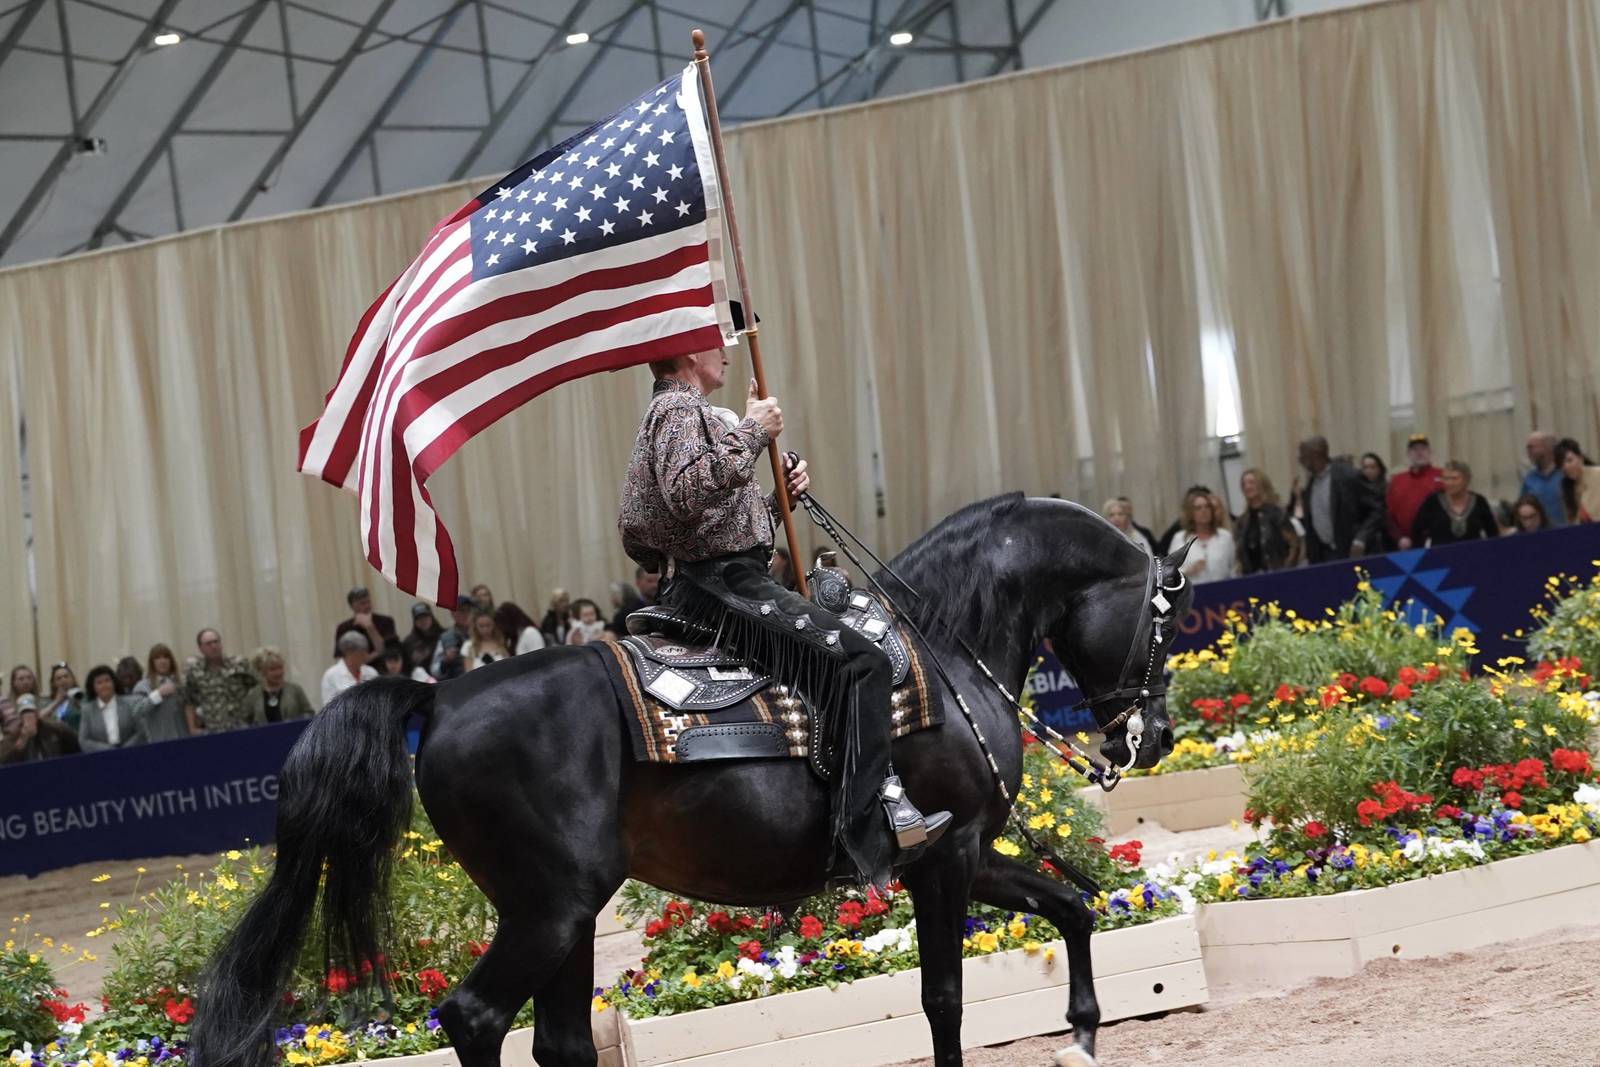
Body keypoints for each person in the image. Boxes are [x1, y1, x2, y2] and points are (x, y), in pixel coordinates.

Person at [617, 303, 949, 889]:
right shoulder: (677, 408)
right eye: (716, 341)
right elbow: (686, 491)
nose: (726, 353)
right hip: (720, 587)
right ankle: (860, 834)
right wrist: (753, 431)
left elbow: (710, 526)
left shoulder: (684, 411)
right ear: (689, 351)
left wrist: (776, 504)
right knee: (864, 664)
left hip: (719, 576)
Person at [1288, 436, 1383, 563]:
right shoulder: (1310, 484)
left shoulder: (1348, 476)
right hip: (1325, 555)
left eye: (1303, 455)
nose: (1300, 459)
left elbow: (1377, 508)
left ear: (1316, 455)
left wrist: (1361, 538)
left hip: (1353, 553)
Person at [184, 628, 261, 732]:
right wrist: (192, 728)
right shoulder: (195, 672)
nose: (214, 646)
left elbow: (259, 689)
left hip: (243, 726)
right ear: (201, 648)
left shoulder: (240, 664)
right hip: (215, 730)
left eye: (216, 641)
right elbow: (189, 701)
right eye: (208, 644)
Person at [1410, 461, 1500, 545]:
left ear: (1466, 480)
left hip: (1474, 554)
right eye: (1445, 478)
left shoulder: (1479, 501)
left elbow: (1493, 534)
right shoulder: (1433, 501)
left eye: (1454, 478)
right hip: (1440, 555)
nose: (1449, 483)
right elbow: (1416, 532)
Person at [1234, 469, 1300, 574]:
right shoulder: (1241, 522)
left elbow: (1294, 545)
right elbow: (1239, 554)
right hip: (1251, 578)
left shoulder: (1277, 514)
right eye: (1244, 484)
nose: (1247, 487)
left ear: (1262, 484)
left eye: (1251, 482)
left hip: (1276, 575)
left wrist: (1286, 570)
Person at [1386, 434, 1444, 550]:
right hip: (1405, 545)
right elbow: (1389, 514)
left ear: (1430, 452)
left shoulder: (1444, 476)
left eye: (1423, 449)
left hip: (1437, 543)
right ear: (1408, 454)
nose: (1419, 452)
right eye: (1415, 449)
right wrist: (1399, 538)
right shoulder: (1397, 480)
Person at [77, 664, 150, 753]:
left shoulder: (130, 703)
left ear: (114, 683)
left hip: (132, 753)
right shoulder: (87, 710)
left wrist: (124, 750)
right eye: (99, 683)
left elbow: (141, 731)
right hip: (101, 756)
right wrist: (108, 751)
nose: (104, 685)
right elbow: (84, 740)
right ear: (93, 687)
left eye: (107, 680)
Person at [1173, 488, 1236, 584]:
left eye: (1207, 507)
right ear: (1191, 513)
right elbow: (1170, 573)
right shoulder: (1180, 539)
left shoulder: (1225, 537)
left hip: (1223, 589)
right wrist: (1188, 571)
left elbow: (1233, 568)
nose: (1204, 511)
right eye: (1198, 508)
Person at [131, 643, 191, 742]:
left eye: (166, 657)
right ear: (152, 662)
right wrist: (158, 694)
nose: (162, 661)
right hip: (160, 742)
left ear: (171, 660)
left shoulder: (181, 682)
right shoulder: (142, 686)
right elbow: (136, 711)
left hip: (185, 739)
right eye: (157, 658)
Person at [0, 695, 81, 762]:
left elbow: (77, 744)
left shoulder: (55, 728)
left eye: (31, 711)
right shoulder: (12, 734)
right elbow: (4, 761)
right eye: (24, 713)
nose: (28, 716)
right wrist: (22, 740)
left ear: (37, 713)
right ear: (19, 716)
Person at [245, 648, 313, 723]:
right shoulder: (253, 694)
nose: (278, 672)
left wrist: (295, 721)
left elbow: (310, 714)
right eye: (273, 669)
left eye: (280, 667)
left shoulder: (295, 689)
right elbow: (244, 721)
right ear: (262, 671)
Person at [333, 586, 398, 662]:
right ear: (352, 606)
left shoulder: (386, 621)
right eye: (362, 603)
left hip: (380, 667)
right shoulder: (343, 628)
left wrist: (370, 627)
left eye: (368, 602)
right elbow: (339, 657)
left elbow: (387, 651)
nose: (367, 606)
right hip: (354, 668)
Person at [1520, 431, 1567, 527]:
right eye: (1527, 448)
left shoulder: (1565, 473)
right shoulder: (1529, 480)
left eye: (1531, 447)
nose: (1528, 452)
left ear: (1548, 448)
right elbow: (1521, 508)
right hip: (1542, 533)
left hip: (1569, 531)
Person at [321, 631, 378, 705]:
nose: (366, 656)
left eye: (366, 651)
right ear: (348, 652)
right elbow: (328, 706)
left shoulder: (371, 672)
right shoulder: (331, 676)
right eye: (361, 652)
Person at [1556, 438, 1600, 524]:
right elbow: (1573, 522)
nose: (1566, 467)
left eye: (1569, 460)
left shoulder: (1598, 474)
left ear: (1580, 458)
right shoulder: (1566, 488)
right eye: (1561, 464)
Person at [431, 602, 473, 677]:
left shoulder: (482, 632)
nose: (466, 614)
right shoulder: (446, 637)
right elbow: (435, 670)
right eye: (462, 611)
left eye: (468, 610)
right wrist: (446, 660)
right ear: (453, 614)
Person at [402, 602, 444, 673]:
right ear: (415, 621)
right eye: (419, 618)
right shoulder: (409, 642)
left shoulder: (444, 636)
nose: (423, 621)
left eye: (425, 617)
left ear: (431, 617)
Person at [43, 663, 83, 730]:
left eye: (66, 676)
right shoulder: (48, 702)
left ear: (73, 679)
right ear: (54, 683)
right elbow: (40, 719)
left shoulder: (81, 697)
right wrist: (57, 701)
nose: (63, 680)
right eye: (59, 678)